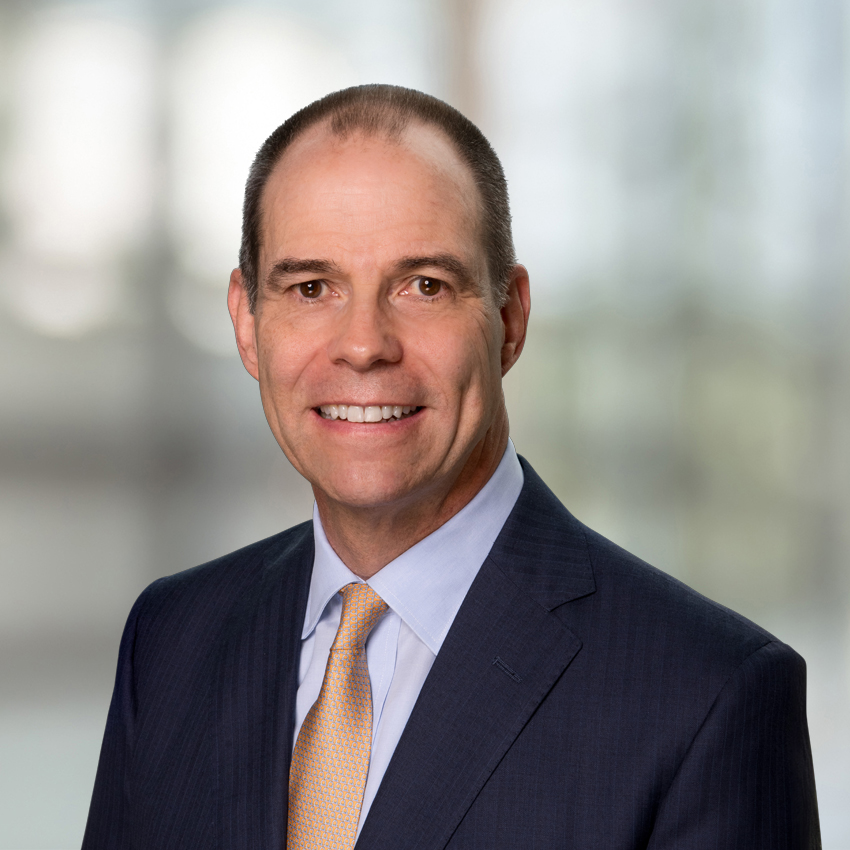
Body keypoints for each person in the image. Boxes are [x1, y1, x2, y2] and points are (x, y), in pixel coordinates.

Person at [83, 85, 820, 849]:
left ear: (510, 319)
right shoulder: (170, 640)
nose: (364, 345)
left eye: (424, 286)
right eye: (312, 288)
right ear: (247, 322)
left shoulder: (708, 697)